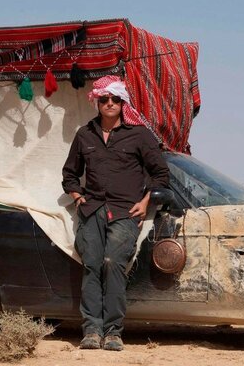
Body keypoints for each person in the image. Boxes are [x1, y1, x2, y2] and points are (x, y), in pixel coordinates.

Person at [61, 75, 169, 351]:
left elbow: (160, 174)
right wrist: (77, 196)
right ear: (97, 102)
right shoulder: (85, 134)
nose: (109, 103)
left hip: (125, 212)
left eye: (115, 99)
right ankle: (92, 331)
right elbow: (70, 174)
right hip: (93, 209)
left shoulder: (140, 136)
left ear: (123, 103)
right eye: (104, 99)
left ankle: (113, 331)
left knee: (112, 261)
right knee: (92, 263)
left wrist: (146, 201)